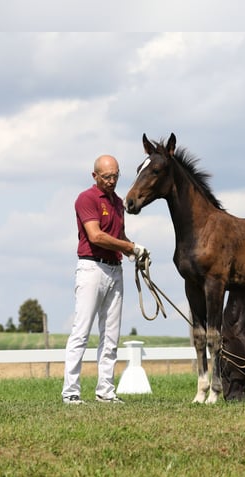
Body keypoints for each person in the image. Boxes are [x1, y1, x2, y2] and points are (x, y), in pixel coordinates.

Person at [62, 154, 147, 405]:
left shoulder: (118, 203)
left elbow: (118, 235)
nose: (112, 181)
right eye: (107, 176)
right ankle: (71, 391)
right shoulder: (86, 199)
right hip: (91, 268)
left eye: (116, 176)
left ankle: (106, 391)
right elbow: (96, 236)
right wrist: (131, 247)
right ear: (95, 176)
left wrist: (134, 253)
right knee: (82, 331)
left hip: (114, 268)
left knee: (111, 335)